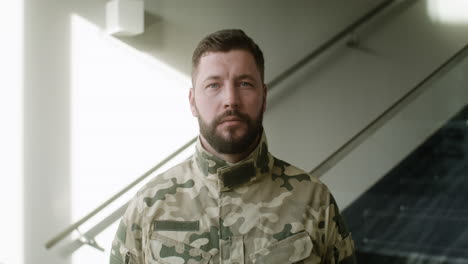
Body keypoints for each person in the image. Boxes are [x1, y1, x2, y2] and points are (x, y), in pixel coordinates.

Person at [110, 29, 356, 264]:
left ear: (264, 97)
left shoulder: (314, 200)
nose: (230, 100)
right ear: (193, 101)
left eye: (245, 84)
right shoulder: (149, 206)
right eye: (213, 85)